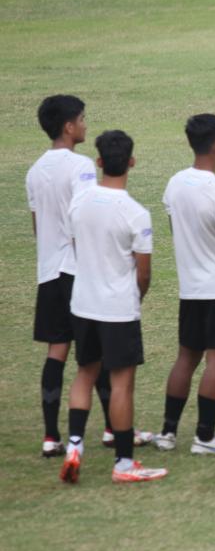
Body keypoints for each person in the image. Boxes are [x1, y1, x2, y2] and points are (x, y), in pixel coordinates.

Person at [60, 130, 167, 484]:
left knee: (84, 373)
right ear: (132, 163)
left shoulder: (80, 201)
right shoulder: (135, 213)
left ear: (99, 161)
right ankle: (123, 464)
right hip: (118, 308)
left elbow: (75, 245)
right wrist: (134, 297)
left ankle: (74, 445)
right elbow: (144, 272)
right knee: (121, 385)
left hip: (83, 303)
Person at [27, 95, 115, 458]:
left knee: (56, 352)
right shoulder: (80, 166)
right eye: (82, 119)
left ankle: (51, 436)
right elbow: (83, 218)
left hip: (48, 271)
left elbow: (36, 226)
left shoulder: (34, 170)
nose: (85, 125)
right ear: (68, 126)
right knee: (96, 353)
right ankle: (112, 429)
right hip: (77, 270)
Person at [154, 114, 215, 456]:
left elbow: (175, 229)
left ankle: (167, 432)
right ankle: (205, 437)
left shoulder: (174, 184)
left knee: (185, 359)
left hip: (190, 288)